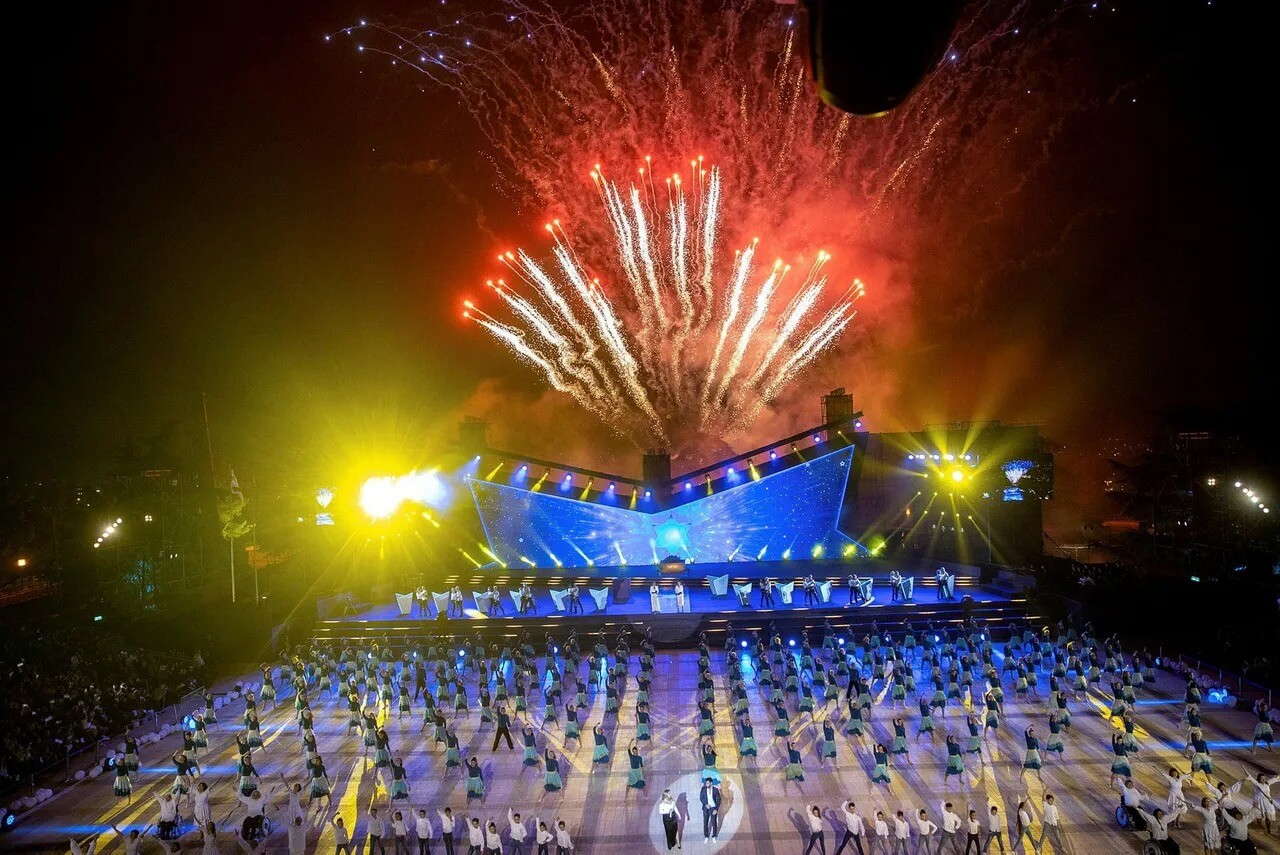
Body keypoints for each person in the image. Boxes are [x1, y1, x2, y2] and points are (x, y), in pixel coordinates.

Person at [700, 777, 721, 843]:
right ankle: (706, 836)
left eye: (708, 783)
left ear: (711, 783)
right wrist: (705, 804)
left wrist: (716, 809)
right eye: (706, 783)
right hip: (706, 809)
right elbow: (701, 798)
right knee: (705, 823)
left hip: (713, 808)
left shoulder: (715, 790)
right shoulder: (703, 789)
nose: (706, 784)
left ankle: (714, 836)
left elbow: (718, 800)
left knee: (714, 823)